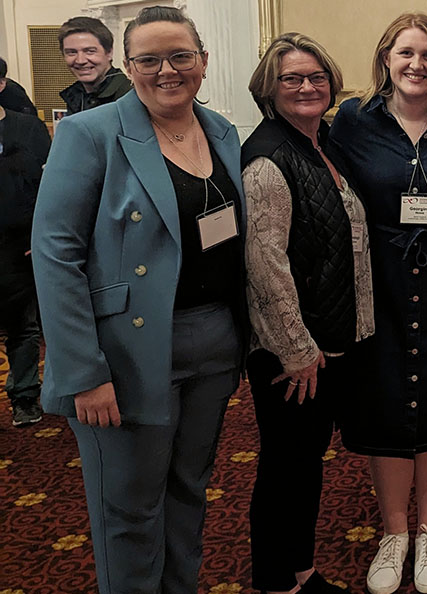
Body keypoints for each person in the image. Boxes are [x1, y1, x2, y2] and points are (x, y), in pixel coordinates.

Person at [31, 7, 246, 592]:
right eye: (148, 60)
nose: (166, 71)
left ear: (203, 61)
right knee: (128, 511)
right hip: (122, 356)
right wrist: (81, 371)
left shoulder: (222, 131)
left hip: (213, 347)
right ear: (128, 67)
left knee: (188, 494)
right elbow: (55, 255)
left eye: (180, 56)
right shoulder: (90, 133)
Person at [329, 12, 427, 594]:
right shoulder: (351, 121)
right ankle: (394, 533)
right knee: (386, 396)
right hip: (378, 281)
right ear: (386, 59)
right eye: (405, 54)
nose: (416, 65)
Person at [241, 32, 373, 594]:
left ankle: (298, 569)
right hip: (294, 354)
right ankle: (277, 579)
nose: (307, 86)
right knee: (287, 468)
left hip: (325, 341)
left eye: (316, 77)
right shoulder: (269, 158)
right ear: (269, 89)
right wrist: (296, 349)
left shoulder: (321, 143)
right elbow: (263, 263)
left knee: (304, 464)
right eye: (292, 78)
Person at [0, 86, 50, 427]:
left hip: (20, 243)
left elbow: (50, 184)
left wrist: (41, 234)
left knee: (23, 325)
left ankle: (25, 396)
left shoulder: (29, 129)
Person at [58, 16, 132, 115]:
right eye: (71, 52)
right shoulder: (75, 97)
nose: (80, 60)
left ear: (109, 53)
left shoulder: (130, 97)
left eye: (90, 51)